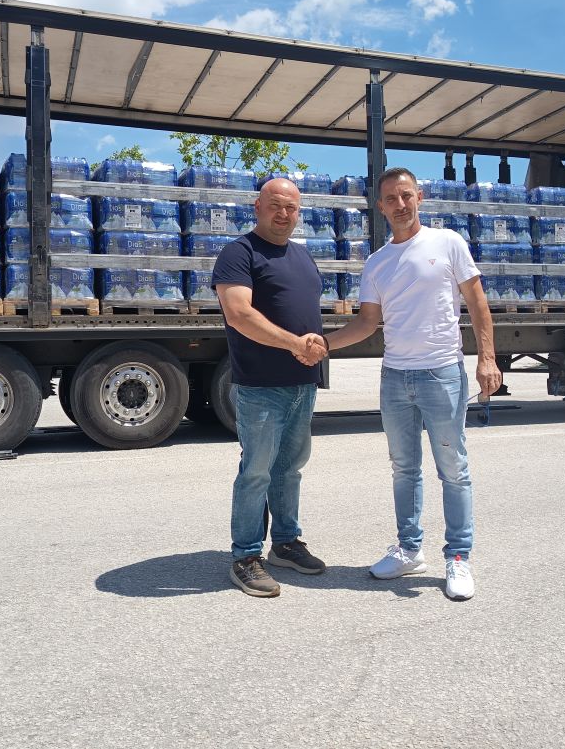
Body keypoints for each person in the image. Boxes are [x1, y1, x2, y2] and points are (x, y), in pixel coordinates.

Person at [324, 167, 502, 601]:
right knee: (404, 468)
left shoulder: (448, 243)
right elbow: (367, 323)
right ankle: (408, 550)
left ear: (419, 197)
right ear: (380, 207)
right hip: (395, 377)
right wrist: (322, 345)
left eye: (406, 196)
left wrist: (487, 358)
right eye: (391, 199)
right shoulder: (377, 262)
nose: (400, 205)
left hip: (442, 372)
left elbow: (478, 302)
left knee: (453, 469)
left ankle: (458, 557)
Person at [212, 177, 328, 598]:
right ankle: (245, 556)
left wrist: (313, 347)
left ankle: (285, 542)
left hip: (302, 383)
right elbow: (239, 314)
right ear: (257, 207)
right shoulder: (238, 253)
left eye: (291, 207)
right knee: (257, 471)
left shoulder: (302, 255)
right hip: (261, 385)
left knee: (289, 469)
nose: (284, 214)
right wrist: (296, 344)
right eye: (275, 205)